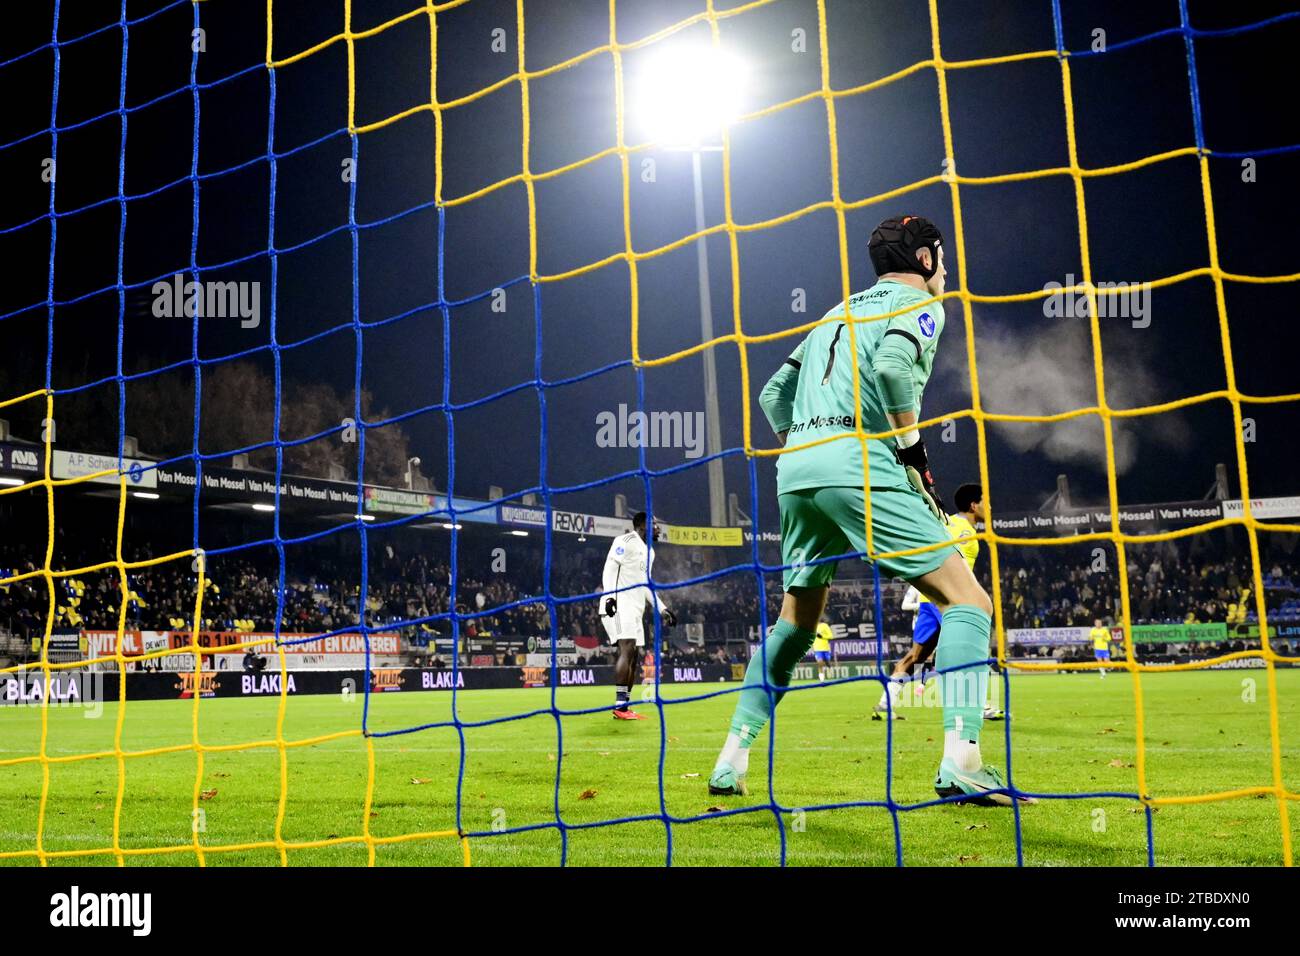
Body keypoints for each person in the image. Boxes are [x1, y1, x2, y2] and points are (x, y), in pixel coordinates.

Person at [707, 215, 1028, 807]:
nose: (946, 269)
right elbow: (891, 369)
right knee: (969, 602)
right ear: (927, 260)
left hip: (795, 469)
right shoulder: (921, 306)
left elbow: (771, 394)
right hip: (857, 460)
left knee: (796, 626)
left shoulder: (836, 313)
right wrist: (909, 450)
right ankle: (963, 759)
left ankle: (732, 756)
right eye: (943, 256)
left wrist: (809, 446)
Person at [600, 511, 675, 720]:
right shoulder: (624, 541)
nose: (659, 528)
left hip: (635, 608)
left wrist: (662, 608)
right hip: (618, 604)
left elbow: (646, 585)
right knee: (627, 648)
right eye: (655, 524)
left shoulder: (649, 552)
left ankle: (624, 707)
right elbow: (609, 569)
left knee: (634, 656)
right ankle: (618, 706)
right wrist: (609, 598)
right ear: (643, 525)